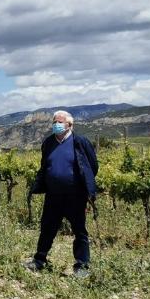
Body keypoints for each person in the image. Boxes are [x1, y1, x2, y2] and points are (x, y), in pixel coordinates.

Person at [25, 110, 99, 279]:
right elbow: (45, 165)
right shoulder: (48, 143)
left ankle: (82, 265)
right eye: (54, 122)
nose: (56, 125)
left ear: (69, 125)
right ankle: (39, 260)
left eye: (59, 122)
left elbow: (92, 166)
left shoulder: (79, 142)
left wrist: (85, 185)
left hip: (75, 196)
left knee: (79, 230)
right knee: (47, 228)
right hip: (53, 195)